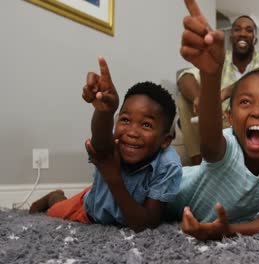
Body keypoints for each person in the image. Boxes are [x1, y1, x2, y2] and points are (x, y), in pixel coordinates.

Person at [166, 0, 259, 241]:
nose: (258, 111)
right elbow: (211, 145)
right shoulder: (225, 144)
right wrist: (210, 76)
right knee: (100, 203)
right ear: (229, 117)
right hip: (166, 187)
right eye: (246, 102)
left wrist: (227, 230)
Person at [29, 57, 183, 233]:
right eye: (125, 119)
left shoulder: (169, 165)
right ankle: (55, 196)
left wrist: (113, 177)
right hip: (90, 210)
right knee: (56, 210)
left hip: (117, 195)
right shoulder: (116, 142)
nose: (132, 132)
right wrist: (105, 112)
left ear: (165, 140)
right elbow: (100, 143)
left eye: (146, 125)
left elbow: (146, 224)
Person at [177, 14, 259, 165]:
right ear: (231, 38)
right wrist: (199, 98)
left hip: (249, 122)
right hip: (218, 121)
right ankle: (199, 165)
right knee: (184, 99)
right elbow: (186, 76)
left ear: (255, 39)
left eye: (248, 30)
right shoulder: (222, 57)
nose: (242, 33)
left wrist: (224, 93)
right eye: (237, 29)